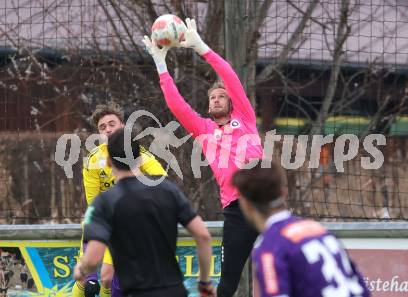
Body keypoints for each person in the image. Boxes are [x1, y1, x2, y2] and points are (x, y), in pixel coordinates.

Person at [143, 18, 277, 297]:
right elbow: (176, 104)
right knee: (227, 285)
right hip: (237, 212)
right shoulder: (203, 130)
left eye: (221, 96)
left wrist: (202, 48)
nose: (216, 99)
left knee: (283, 273)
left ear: (231, 101)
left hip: (264, 202)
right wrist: (161, 64)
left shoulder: (245, 118)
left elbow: (229, 75)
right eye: (212, 97)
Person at [73, 128, 216, 297]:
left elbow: (92, 258)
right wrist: (205, 282)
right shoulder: (168, 190)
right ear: (140, 159)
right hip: (173, 290)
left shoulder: (104, 202)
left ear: (109, 161)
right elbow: (203, 236)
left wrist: (81, 270)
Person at [231, 162, 370, 297]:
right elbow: (361, 288)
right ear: (284, 193)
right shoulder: (318, 230)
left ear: (245, 204)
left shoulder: (270, 246)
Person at [72, 102, 167, 297]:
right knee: (86, 282)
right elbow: (93, 202)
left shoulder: (138, 153)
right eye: (102, 127)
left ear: (122, 127)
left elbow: (159, 179)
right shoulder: (93, 160)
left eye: (112, 124)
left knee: (108, 278)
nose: (107, 129)